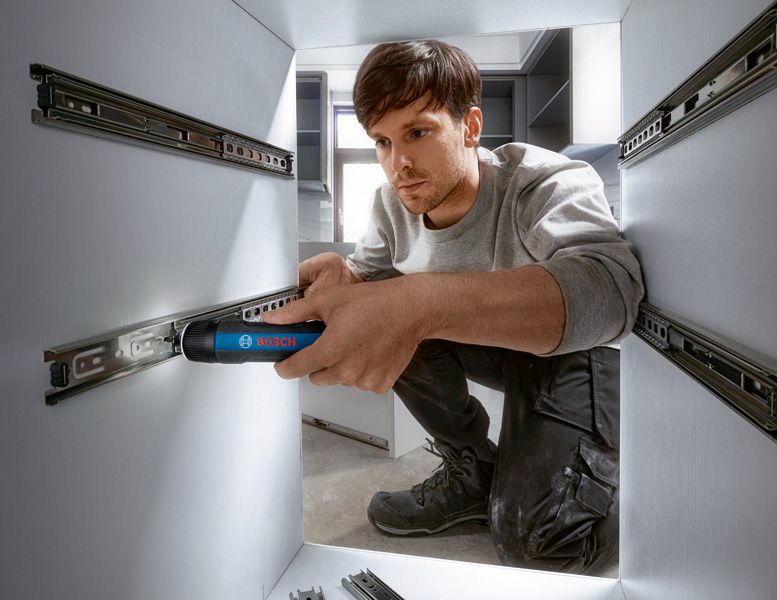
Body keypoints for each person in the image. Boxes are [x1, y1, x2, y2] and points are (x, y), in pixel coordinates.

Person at [264, 39, 644, 575]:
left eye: (418, 132)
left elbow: (612, 292)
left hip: (581, 354)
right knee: (388, 311)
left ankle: (635, 495)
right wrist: (344, 278)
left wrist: (420, 301)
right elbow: (374, 287)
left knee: (540, 542)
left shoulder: (540, 180)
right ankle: (473, 470)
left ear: (469, 127)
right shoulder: (389, 205)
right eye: (382, 142)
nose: (399, 164)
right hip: (502, 350)